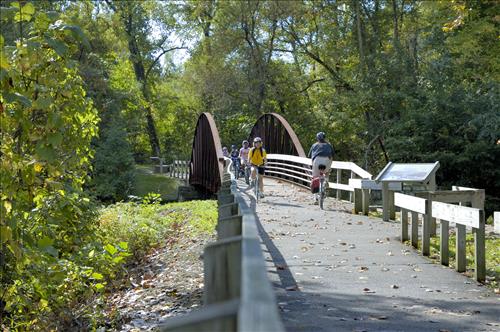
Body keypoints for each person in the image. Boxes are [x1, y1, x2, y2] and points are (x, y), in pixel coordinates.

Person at [308, 132, 334, 203]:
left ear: (317, 138)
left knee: (315, 177)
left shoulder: (314, 145)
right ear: (324, 138)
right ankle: (326, 180)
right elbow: (333, 154)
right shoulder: (329, 145)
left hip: (316, 162)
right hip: (326, 162)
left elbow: (309, 155)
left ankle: (315, 198)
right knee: (327, 171)